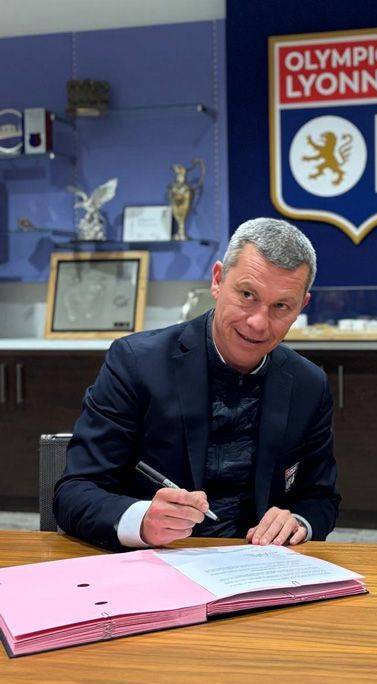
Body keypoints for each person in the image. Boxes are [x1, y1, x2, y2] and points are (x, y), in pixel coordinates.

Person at [54, 218, 340, 551]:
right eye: (247, 295)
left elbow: (321, 497)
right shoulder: (136, 362)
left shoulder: (309, 383)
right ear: (218, 280)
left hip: (257, 570)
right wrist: (142, 519)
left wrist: (298, 522)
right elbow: (73, 492)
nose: (259, 322)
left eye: (281, 306)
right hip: (154, 564)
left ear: (301, 306)